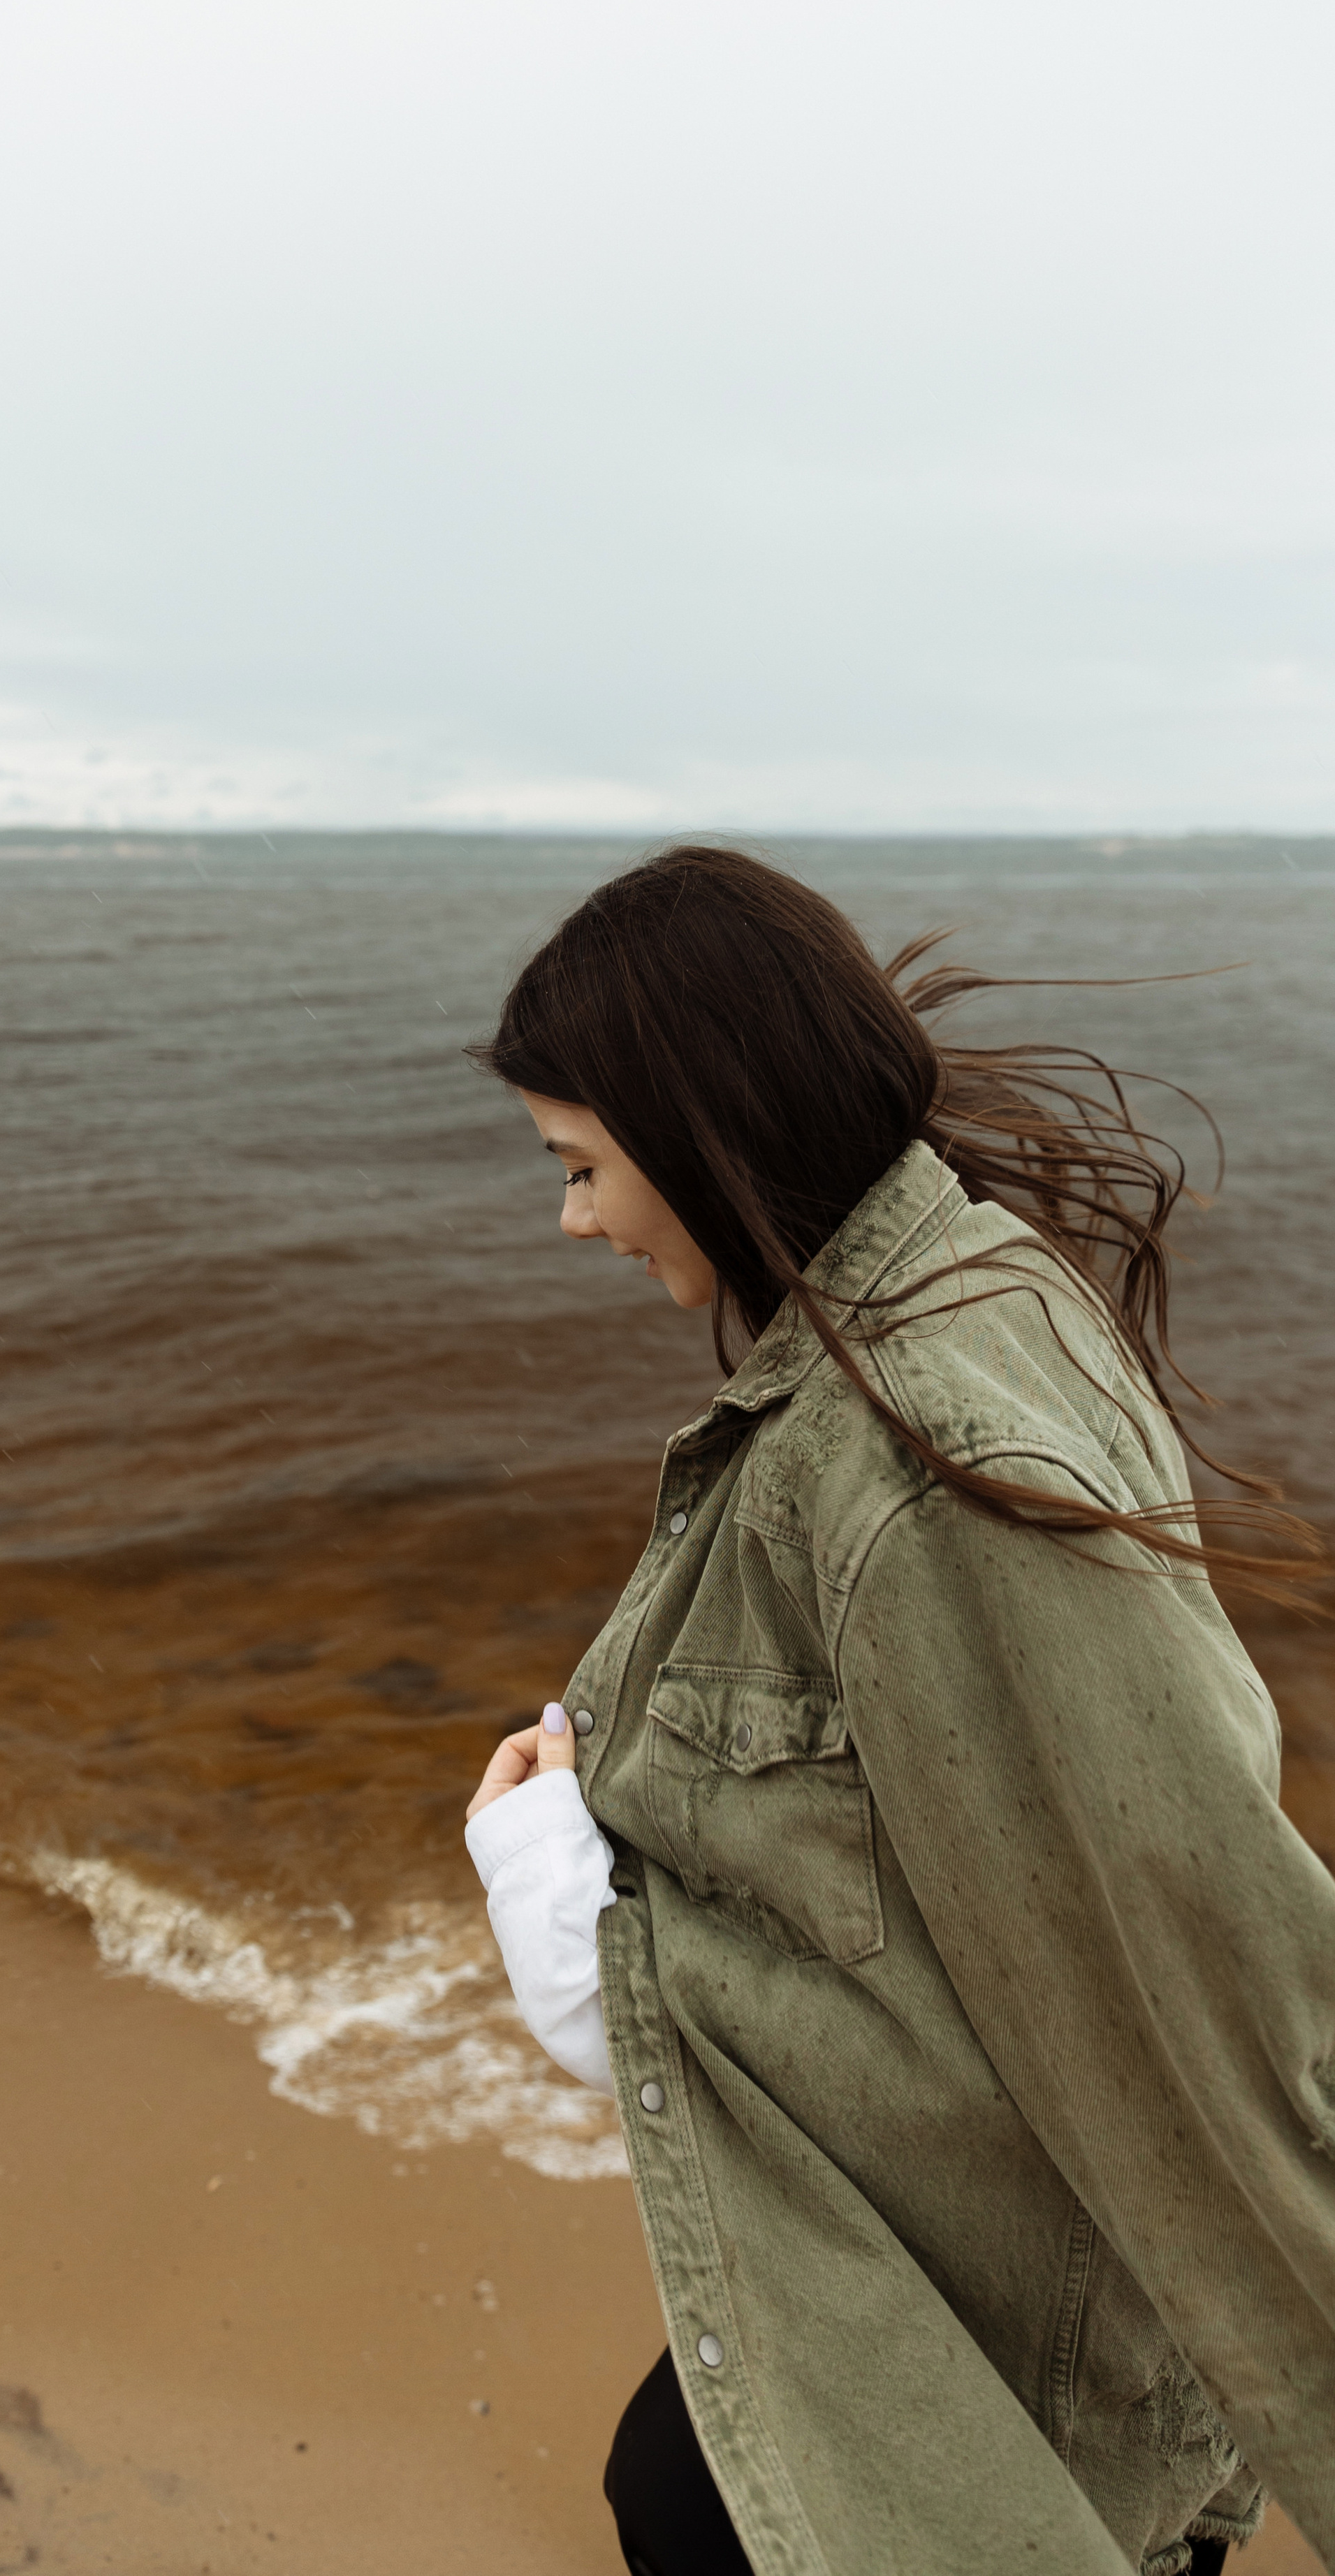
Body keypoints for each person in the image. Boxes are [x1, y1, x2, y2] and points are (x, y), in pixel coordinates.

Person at [461, 846, 1335, 2576]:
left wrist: (560, 1913)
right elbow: (912, 1864)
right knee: (676, 2471)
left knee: (687, 2494)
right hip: (920, 2265)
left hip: (1018, 2370)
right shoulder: (937, 1298)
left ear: (702, 1126)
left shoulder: (923, 1470)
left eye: (581, 1167)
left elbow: (1203, 1955)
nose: (568, 1219)